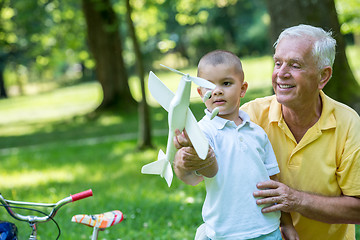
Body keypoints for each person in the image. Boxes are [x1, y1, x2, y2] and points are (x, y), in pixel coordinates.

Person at [174, 24, 360, 240]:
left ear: (323, 77)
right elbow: (196, 169)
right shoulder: (247, 117)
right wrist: (184, 161)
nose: (281, 74)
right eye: (278, 63)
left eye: (295, 65)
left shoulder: (348, 124)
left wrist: (295, 200)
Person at [173, 50, 298, 240]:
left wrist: (286, 224)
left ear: (242, 88)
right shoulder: (202, 132)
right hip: (226, 232)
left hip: (267, 229)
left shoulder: (257, 133)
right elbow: (207, 170)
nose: (217, 91)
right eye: (208, 86)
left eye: (226, 83)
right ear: (200, 92)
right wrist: (190, 151)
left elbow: (274, 184)